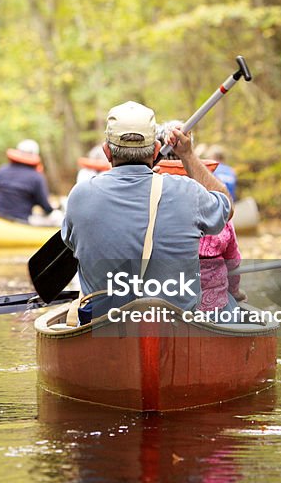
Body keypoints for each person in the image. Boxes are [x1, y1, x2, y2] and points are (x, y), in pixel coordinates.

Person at [62, 102, 232, 320]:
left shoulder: (80, 196)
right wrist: (188, 155)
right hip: (176, 329)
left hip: (106, 330)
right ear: (155, 151)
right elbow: (227, 206)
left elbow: (70, 243)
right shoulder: (189, 192)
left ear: (107, 152)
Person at [156, 123, 246, 313]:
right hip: (212, 308)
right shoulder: (216, 207)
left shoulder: (147, 202)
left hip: (163, 306)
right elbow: (233, 261)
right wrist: (235, 292)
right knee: (232, 302)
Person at [0, 139, 55, 223]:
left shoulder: (3, 170)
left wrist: (1, 200)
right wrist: (52, 209)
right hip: (21, 220)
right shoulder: (36, 177)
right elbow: (44, 205)